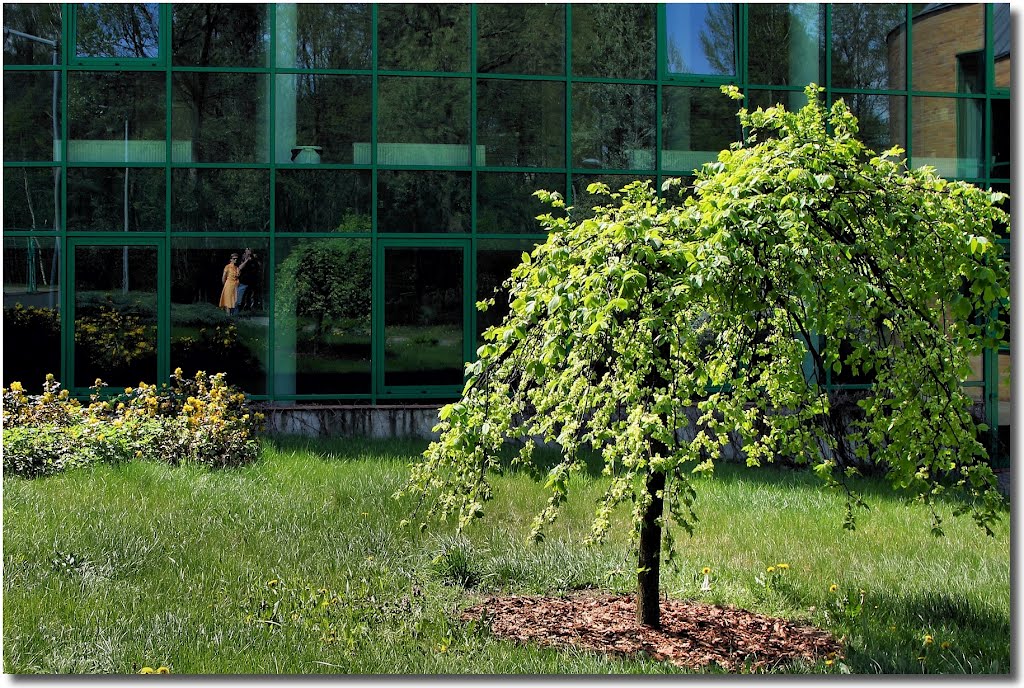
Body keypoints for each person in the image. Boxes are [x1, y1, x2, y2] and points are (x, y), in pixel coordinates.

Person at [235, 248, 259, 313]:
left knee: (250, 299)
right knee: (239, 299)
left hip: (252, 283)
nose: (247, 250)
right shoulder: (242, 259)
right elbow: (239, 268)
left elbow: (257, 269)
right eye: (246, 249)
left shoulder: (254, 260)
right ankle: (236, 314)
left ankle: (248, 313)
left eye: (249, 249)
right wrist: (246, 260)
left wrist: (254, 259)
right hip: (243, 282)